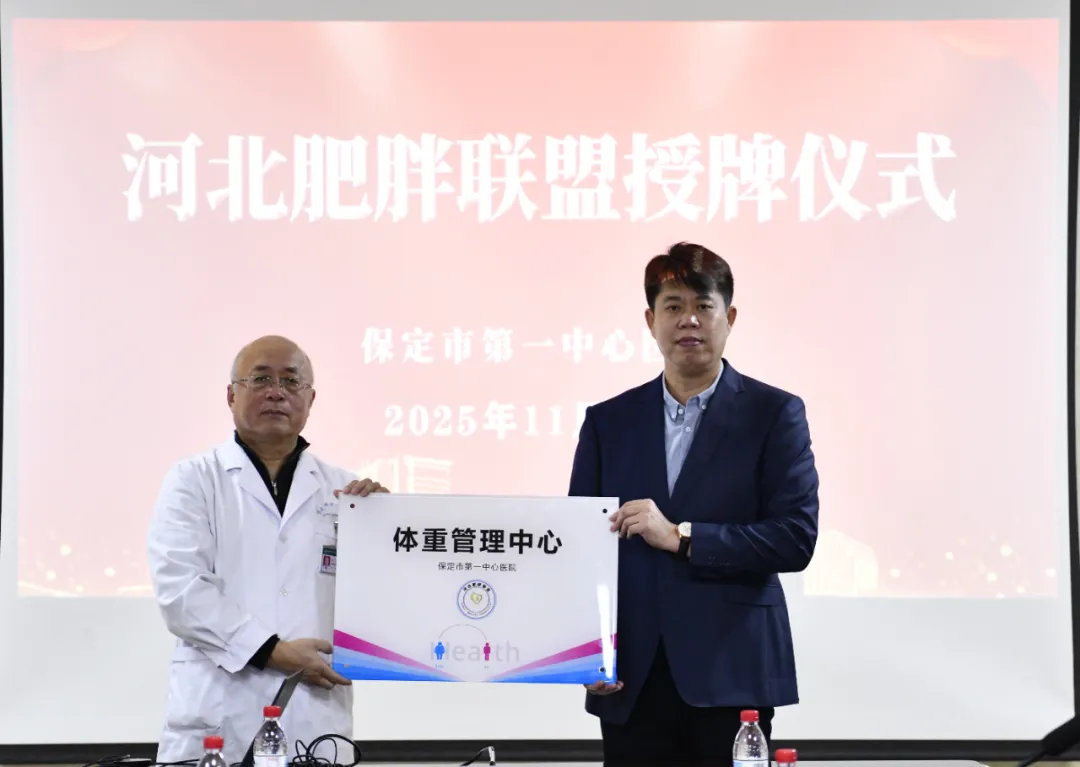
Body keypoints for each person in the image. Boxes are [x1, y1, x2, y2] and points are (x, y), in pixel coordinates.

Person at [569, 243, 819, 766]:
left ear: (730, 317)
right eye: (673, 306)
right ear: (650, 321)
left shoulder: (774, 414)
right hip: (631, 679)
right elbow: (581, 548)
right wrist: (589, 652)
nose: (689, 320)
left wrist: (683, 537)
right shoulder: (608, 422)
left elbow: (795, 537)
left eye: (704, 306)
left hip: (731, 675)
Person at [147, 335, 388, 765]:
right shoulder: (193, 480)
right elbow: (182, 594)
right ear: (231, 395)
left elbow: (378, 601)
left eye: (291, 381)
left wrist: (385, 529)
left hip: (314, 715)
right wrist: (274, 652)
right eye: (260, 379)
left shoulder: (347, 492)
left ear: (311, 399)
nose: (276, 392)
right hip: (220, 711)